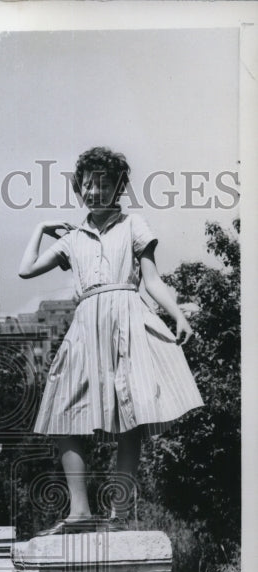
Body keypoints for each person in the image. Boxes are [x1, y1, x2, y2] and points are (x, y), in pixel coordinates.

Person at [18, 146, 203, 533]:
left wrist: (177, 313)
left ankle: (119, 513)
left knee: (129, 416)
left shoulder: (134, 224)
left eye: (104, 185)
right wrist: (40, 229)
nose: (95, 192)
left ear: (118, 188)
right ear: (78, 189)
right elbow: (26, 270)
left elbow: (151, 279)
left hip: (127, 318)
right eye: (88, 185)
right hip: (86, 325)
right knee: (61, 413)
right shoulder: (72, 239)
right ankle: (80, 512)